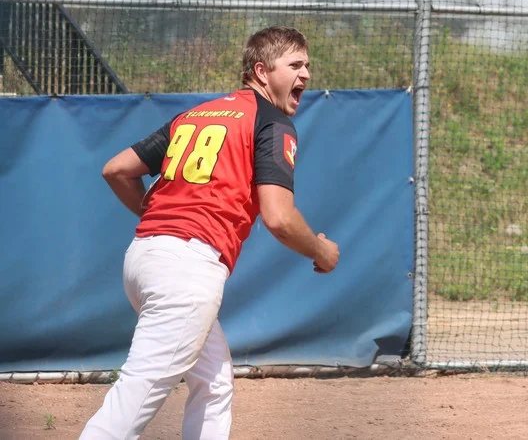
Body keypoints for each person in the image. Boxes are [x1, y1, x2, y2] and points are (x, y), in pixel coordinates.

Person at [81, 26, 340, 439]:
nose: (306, 73)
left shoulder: (197, 114)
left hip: (145, 257)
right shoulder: (271, 122)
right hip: (186, 271)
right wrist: (321, 252)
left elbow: (116, 169)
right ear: (261, 70)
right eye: (295, 64)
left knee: (214, 382)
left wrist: (160, 214)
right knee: (137, 392)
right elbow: (279, 218)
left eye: (307, 64)